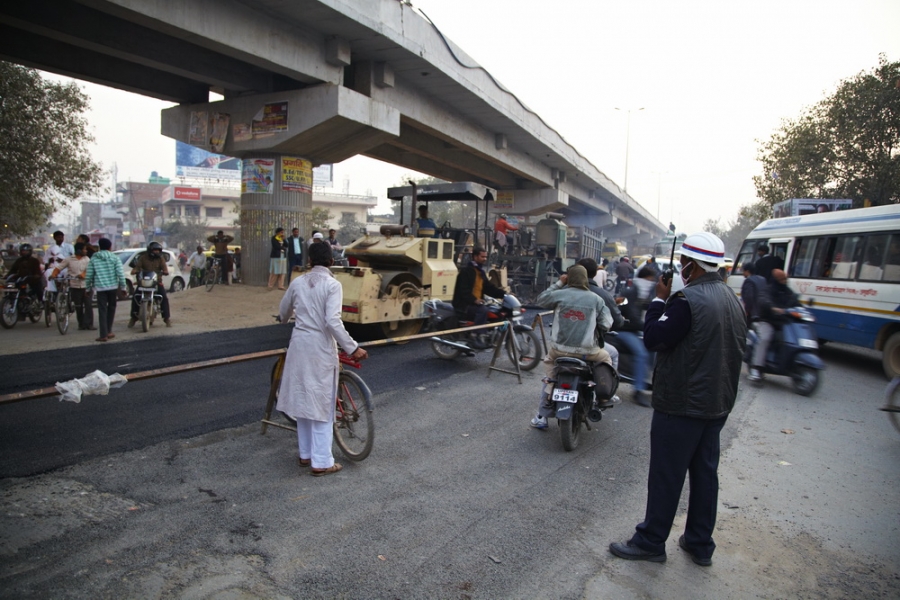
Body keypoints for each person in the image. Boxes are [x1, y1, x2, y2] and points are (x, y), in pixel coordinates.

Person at [609, 231, 746, 566]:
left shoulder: (688, 302)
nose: (681, 268)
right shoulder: (732, 299)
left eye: (684, 263)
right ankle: (699, 543)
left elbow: (655, 337)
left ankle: (651, 541)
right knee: (704, 474)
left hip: (683, 405)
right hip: (717, 404)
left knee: (667, 476)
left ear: (690, 266)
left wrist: (659, 300)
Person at [276, 241, 368, 477]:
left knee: (304, 400)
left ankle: (305, 455)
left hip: (298, 345)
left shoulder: (297, 282)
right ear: (331, 262)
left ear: (309, 261)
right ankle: (322, 461)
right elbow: (332, 321)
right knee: (322, 404)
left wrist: (288, 317)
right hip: (319, 347)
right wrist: (353, 347)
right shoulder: (332, 285)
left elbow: (283, 313)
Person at [530, 264, 614, 430]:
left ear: (569, 278)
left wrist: (559, 283)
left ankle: (542, 415)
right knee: (606, 358)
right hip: (587, 353)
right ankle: (603, 397)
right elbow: (607, 323)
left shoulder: (560, 295)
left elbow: (541, 299)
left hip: (559, 352)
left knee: (550, 375)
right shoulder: (596, 299)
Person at [616, 265, 658, 407]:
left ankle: (649, 380)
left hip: (634, 330)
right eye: (649, 280)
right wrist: (649, 327)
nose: (651, 283)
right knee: (641, 354)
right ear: (642, 279)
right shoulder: (630, 292)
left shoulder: (641, 293)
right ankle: (638, 390)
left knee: (655, 347)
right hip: (623, 330)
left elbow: (650, 306)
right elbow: (633, 316)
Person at [748, 269, 798, 382]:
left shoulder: (787, 291)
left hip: (783, 323)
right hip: (767, 321)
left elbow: (795, 302)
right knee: (765, 338)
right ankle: (756, 368)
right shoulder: (768, 290)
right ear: (776, 280)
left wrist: (802, 311)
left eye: (785, 278)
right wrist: (772, 308)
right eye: (781, 279)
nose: (784, 281)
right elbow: (764, 300)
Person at [451, 246, 505, 347]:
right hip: (464, 304)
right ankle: (475, 335)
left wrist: (504, 294)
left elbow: (488, 287)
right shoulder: (466, 271)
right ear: (475, 257)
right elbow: (463, 291)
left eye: (485, 257)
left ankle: (489, 335)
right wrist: (474, 300)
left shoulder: (480, 272)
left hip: (474, 303)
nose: (485, 259)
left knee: (495, 310)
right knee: (483, 310)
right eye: (482, 257)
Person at [579, 257, 624, 372]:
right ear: (595, 273)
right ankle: (608, 387)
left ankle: (548, 390)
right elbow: (614, 321)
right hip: (589, 347)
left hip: (562, 346)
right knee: (613, 354)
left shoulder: (565, 291)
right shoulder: (603, 295)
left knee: (550, 376)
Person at [85, 238, 127, 342]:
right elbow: (120, 274)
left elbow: (89, 274)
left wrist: (88, 288)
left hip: (100, 288)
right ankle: (109, 331)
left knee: (102, 310)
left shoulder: (94, 258)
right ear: (110, 247)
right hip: (113, 287)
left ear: (100, 247)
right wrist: (123, 287)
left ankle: (103, 335)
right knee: (112, 308)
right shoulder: (114, 258)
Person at [51, 242, 94, 331]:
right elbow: (59, 268)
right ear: (79, 250)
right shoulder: (69, 259)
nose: (86, 251)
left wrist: (83, 275)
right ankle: (81, 324)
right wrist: (53, 275)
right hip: (74, 286)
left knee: (88, 306)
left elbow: (90, 270)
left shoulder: (87, 259)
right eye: (84, 249)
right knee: (78, 306)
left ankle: (89, 324)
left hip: (86, 286)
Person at [128, 241, 172, 328]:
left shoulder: (161, 259)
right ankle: (133, 317)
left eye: (158, 250)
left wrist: (165, 272)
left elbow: (165, 269)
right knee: (135, 297)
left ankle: (166, 318)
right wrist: (135, 270)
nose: (157, 252)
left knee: (164, 298)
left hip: (156, 282)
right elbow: (137, 268)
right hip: (144, 282)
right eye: (155, 250)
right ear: (150, 250)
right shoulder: (143, 258)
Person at [739, 262, 768, 329]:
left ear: (747, 271)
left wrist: (747, 310)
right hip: (763, 312)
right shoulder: (763, 279)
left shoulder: (749, 281)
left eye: (744, 271)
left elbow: (749, 297)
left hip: (753, 313)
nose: (743, 273)